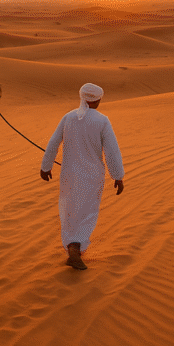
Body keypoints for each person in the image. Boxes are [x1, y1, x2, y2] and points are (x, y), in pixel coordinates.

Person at [39, 83, 125, 270]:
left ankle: (72, 247)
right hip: (92, 176)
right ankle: (76, 248)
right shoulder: (102, 121)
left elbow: (53, 143)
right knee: (87, 212)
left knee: (69, 211)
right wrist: (118, 176)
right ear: (98, 100)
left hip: (69, 174)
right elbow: (112, 151)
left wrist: (45, 167)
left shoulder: (68, 117)